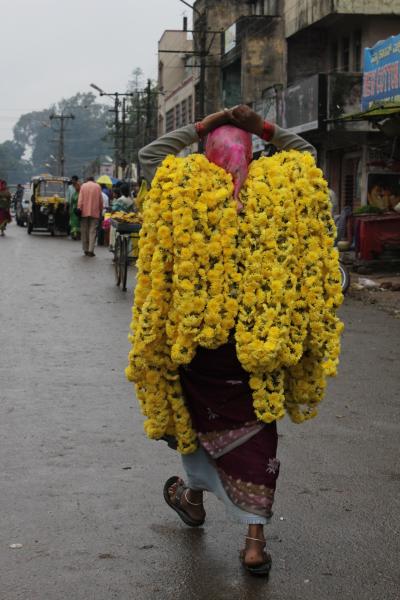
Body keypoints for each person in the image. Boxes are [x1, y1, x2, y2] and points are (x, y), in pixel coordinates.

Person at [137, 105, 317, 576]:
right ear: (253, 155)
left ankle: (193, 498)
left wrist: (203, 123)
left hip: (200, 347)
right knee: (256, 436)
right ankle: (254, 543)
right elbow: (308, 155)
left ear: (209, 155)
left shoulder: (185, 190)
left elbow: (148, 155)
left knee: (199, 422)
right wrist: (266, 128)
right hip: (258, 346)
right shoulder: (277, 191)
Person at [77, 176, 103, 257]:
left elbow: (80, 199)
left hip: (84, 212)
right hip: (95, 212)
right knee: (93, 231)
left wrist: (79, 208)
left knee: (84, 231)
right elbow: (100, 200)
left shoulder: (83, 186)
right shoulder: (98, 187)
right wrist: (100, 209)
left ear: (87, 180)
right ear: (93, 180)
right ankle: (91, 250)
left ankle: (85, 249)